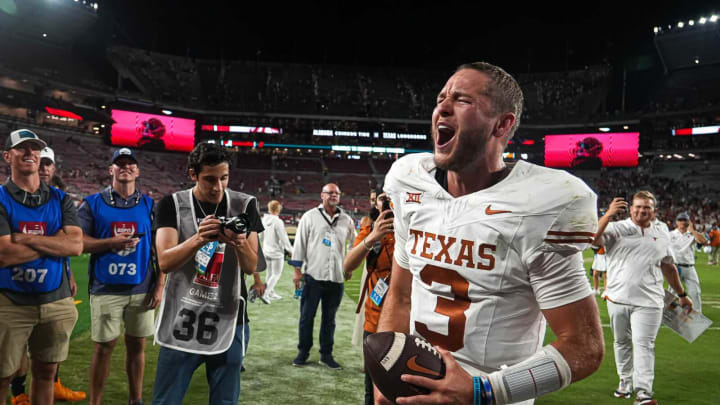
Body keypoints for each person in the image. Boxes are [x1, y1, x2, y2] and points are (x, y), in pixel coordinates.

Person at [376, 62, 604, 405]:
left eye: (462, 99)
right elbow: (401, 295)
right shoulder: (410, 182)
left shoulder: (541, 204)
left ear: (503, 124)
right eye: (441, 97)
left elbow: (584, 347)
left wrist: (482, 391)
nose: (443, 106)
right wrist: (385, 377)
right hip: (415, 392)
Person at [151, 142, 263, 405]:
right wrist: (199, 238)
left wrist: (238, 241)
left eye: (224, 178)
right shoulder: (172, 204)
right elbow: (165, 262)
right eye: (209, 179)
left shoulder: (245, 204)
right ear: (193, 174)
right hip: (183, 316)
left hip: (230, 316)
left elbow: (251, 266)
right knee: (166, 400)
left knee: (225, 401)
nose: (218, 187)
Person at [0, 129, 83, 405]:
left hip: (55, 301)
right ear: (7, 156)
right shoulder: (0, 198)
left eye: (34, 148)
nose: (29, 153)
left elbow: (74, 246)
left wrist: (25, 238)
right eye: (22, 148)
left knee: (46, 373)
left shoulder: (60, 198)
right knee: (2, 376)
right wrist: (54, 240)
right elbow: (3, 254)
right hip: (10, 301)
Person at [77, 147, 163, 405]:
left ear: (137, 171)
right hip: (106, 289)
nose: (125, 167)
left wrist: (159, 286)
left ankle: (135, 400)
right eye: (120, 163)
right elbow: (78, 242)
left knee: (137, 346)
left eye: (130, 164)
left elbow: (161, 249)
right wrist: (110, 243)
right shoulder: (92, 203)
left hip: (142, 289)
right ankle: (96, 402)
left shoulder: (149, 204)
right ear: (110, 170)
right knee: (103, 348)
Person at [595, 193, 693, 405]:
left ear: (654, 211)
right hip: (617, 298)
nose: (641, 211)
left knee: (644, 345)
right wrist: (608, 215)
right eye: (638, 207)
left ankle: (643, 393)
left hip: (650, 301)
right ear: (631, 209)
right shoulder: (615, 228)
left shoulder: (662, 232)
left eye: (646, 208)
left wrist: (682, 294)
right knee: (621, 343)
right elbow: (592, 239)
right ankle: (624, 382)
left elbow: (668, 265)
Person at [291, 183, 357, 369]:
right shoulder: (310, 217)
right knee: (307, 317)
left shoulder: (346, 219)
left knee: (330, 319)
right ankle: (303, 352)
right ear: (322, 195)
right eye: (330, 193)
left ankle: (326, 355)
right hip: (313, 275)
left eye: (336, 193)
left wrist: (350, 264)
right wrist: (297, 270)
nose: (334, 195)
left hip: (336, 277)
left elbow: (354, 243)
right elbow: (300, 244)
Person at [344, 191, 394, 405]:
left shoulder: (415, 226)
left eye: (392, 197)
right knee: (372, 391)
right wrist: (374, 235)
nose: (388, 202)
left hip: (409, 321)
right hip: (375, 318)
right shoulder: (371, 226)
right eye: (384, 198)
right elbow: (348, 265)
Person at [668, 212, 707, 312]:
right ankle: (667, 314)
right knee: (672, 293)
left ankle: (698, 314)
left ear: (689, 222)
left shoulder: (693, 234)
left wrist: (692, 230)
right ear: (676, 222)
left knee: (695, 292)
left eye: (685, 220)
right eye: (680, 220)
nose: (682, 222)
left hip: (689, 267)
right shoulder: (670, 234)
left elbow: (703, 241)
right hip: (675, 267)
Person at [260, 200, 293, 300]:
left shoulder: (263, 220)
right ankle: (265, 293)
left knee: (269, 274)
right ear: (278, 209)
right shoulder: (278, 222)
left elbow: (261, 236)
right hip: (277, 253)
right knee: (276, 274)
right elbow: (283, 238)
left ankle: (271, 293)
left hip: (266, 251)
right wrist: (290, 250)